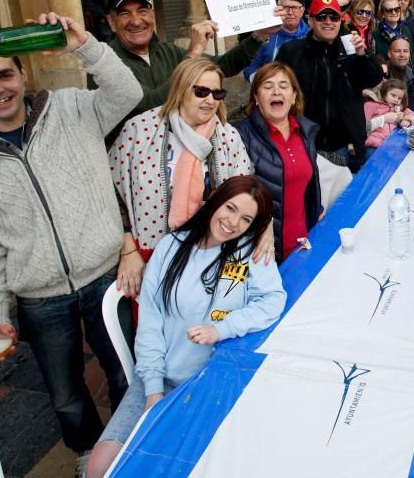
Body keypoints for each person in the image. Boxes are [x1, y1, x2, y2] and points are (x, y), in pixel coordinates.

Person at [0, 13, 143, 466]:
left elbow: (128, 92)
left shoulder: (71, 109)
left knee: (128, 370)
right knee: (65, 391)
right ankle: (88, 452)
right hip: (39, 294)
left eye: (4, 74)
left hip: (106, 275)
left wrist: (82, 43)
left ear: (22, 73)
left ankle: (136, 445)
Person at [84, 176, 286, 478]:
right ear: (215, 199)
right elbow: (150, 323)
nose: (233, 223)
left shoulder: (245, 252)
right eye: (230, 208)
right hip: (162, 377)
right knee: (99, 465)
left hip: (213, 381)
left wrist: (223, 328)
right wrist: (152, 392)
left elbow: (272, 299)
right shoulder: (171, 247)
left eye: (246, 219)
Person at [109, 57, 257, 266]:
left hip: (211, 252)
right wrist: (128, 251)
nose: (210, 100)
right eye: (201, 91)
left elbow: (245, 194)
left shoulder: (228, 136)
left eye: (217, 93)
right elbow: (110, 193)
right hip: (148, 255)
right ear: (180, 89)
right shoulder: (139, 130)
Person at [99, 0, 273, 144]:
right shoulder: (104, 61)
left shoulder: (166, 51)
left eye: (142, 11)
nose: (136, 21)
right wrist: (193, 52)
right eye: (124, 14)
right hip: (134, 163)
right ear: (111, 22)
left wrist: (260, 35)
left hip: (176, 154)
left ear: (152, 15)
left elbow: (224, 66)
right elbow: (149, 106)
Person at [277, 0, 384, 171]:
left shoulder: (350, 49)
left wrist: (362, 55)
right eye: (321, 16)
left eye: (334, 17)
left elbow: (373, 78)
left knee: (342, 196)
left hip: (343, 145)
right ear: (310, 21)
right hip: (304, 143)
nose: (328, 21)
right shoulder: (292, 51)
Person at [234, 62, 322, 262]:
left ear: (293, 97)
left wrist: (317, 208)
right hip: (260, 251)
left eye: (284, 86)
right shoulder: (239, 135)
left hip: (302, 243)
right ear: (256, 97)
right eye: (267, 86)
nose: (276, 91)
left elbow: (308, 183)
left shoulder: (306, 131)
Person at [245, 0, 311, 82]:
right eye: (285, 7)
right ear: (277, 9)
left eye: (295, 8)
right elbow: (250, 68)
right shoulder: (264, 34)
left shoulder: (311, 35)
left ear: (302, 11)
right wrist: (266, 81)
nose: (290, 12)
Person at [364, 78, 414, 157]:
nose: (396, 100)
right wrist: (384, 118)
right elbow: (364, 126)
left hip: (393, 143)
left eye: (399, 98)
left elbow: (412, 115)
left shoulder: (399, 108)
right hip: (375, 143)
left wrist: (406, 120)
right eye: (393, 95)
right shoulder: (371, 105)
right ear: (384, 93)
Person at [386, 36, 414, 110]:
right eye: (397, 51)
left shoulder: (411, 72)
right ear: (389, 53)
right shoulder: (383, 73)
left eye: (405, 51)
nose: (402, 55)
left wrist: (400, 108)